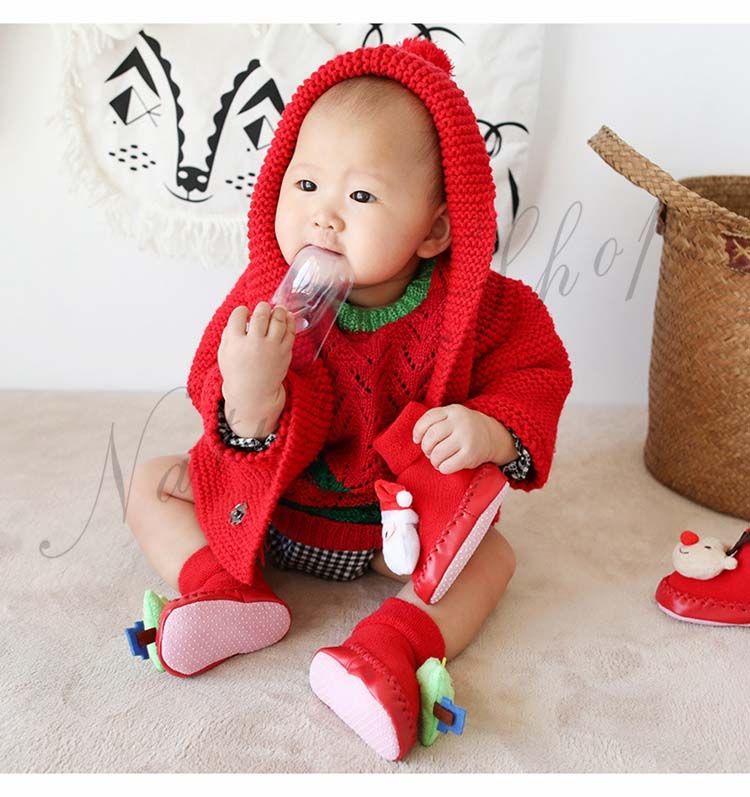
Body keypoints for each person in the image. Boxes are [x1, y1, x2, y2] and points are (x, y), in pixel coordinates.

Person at [125, 37, 573, 762]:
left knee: (494, 556)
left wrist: (491, 429)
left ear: (435, 228)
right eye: (306, 185)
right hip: (274, 511)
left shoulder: (484, 310)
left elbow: (536, 371)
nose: (324, 217)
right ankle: (222, 591)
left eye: (361, 196)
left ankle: (390, 647)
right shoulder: (264, 297)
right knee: (152, 482)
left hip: (396, 531)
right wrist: (248, 390)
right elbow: (217, 395)